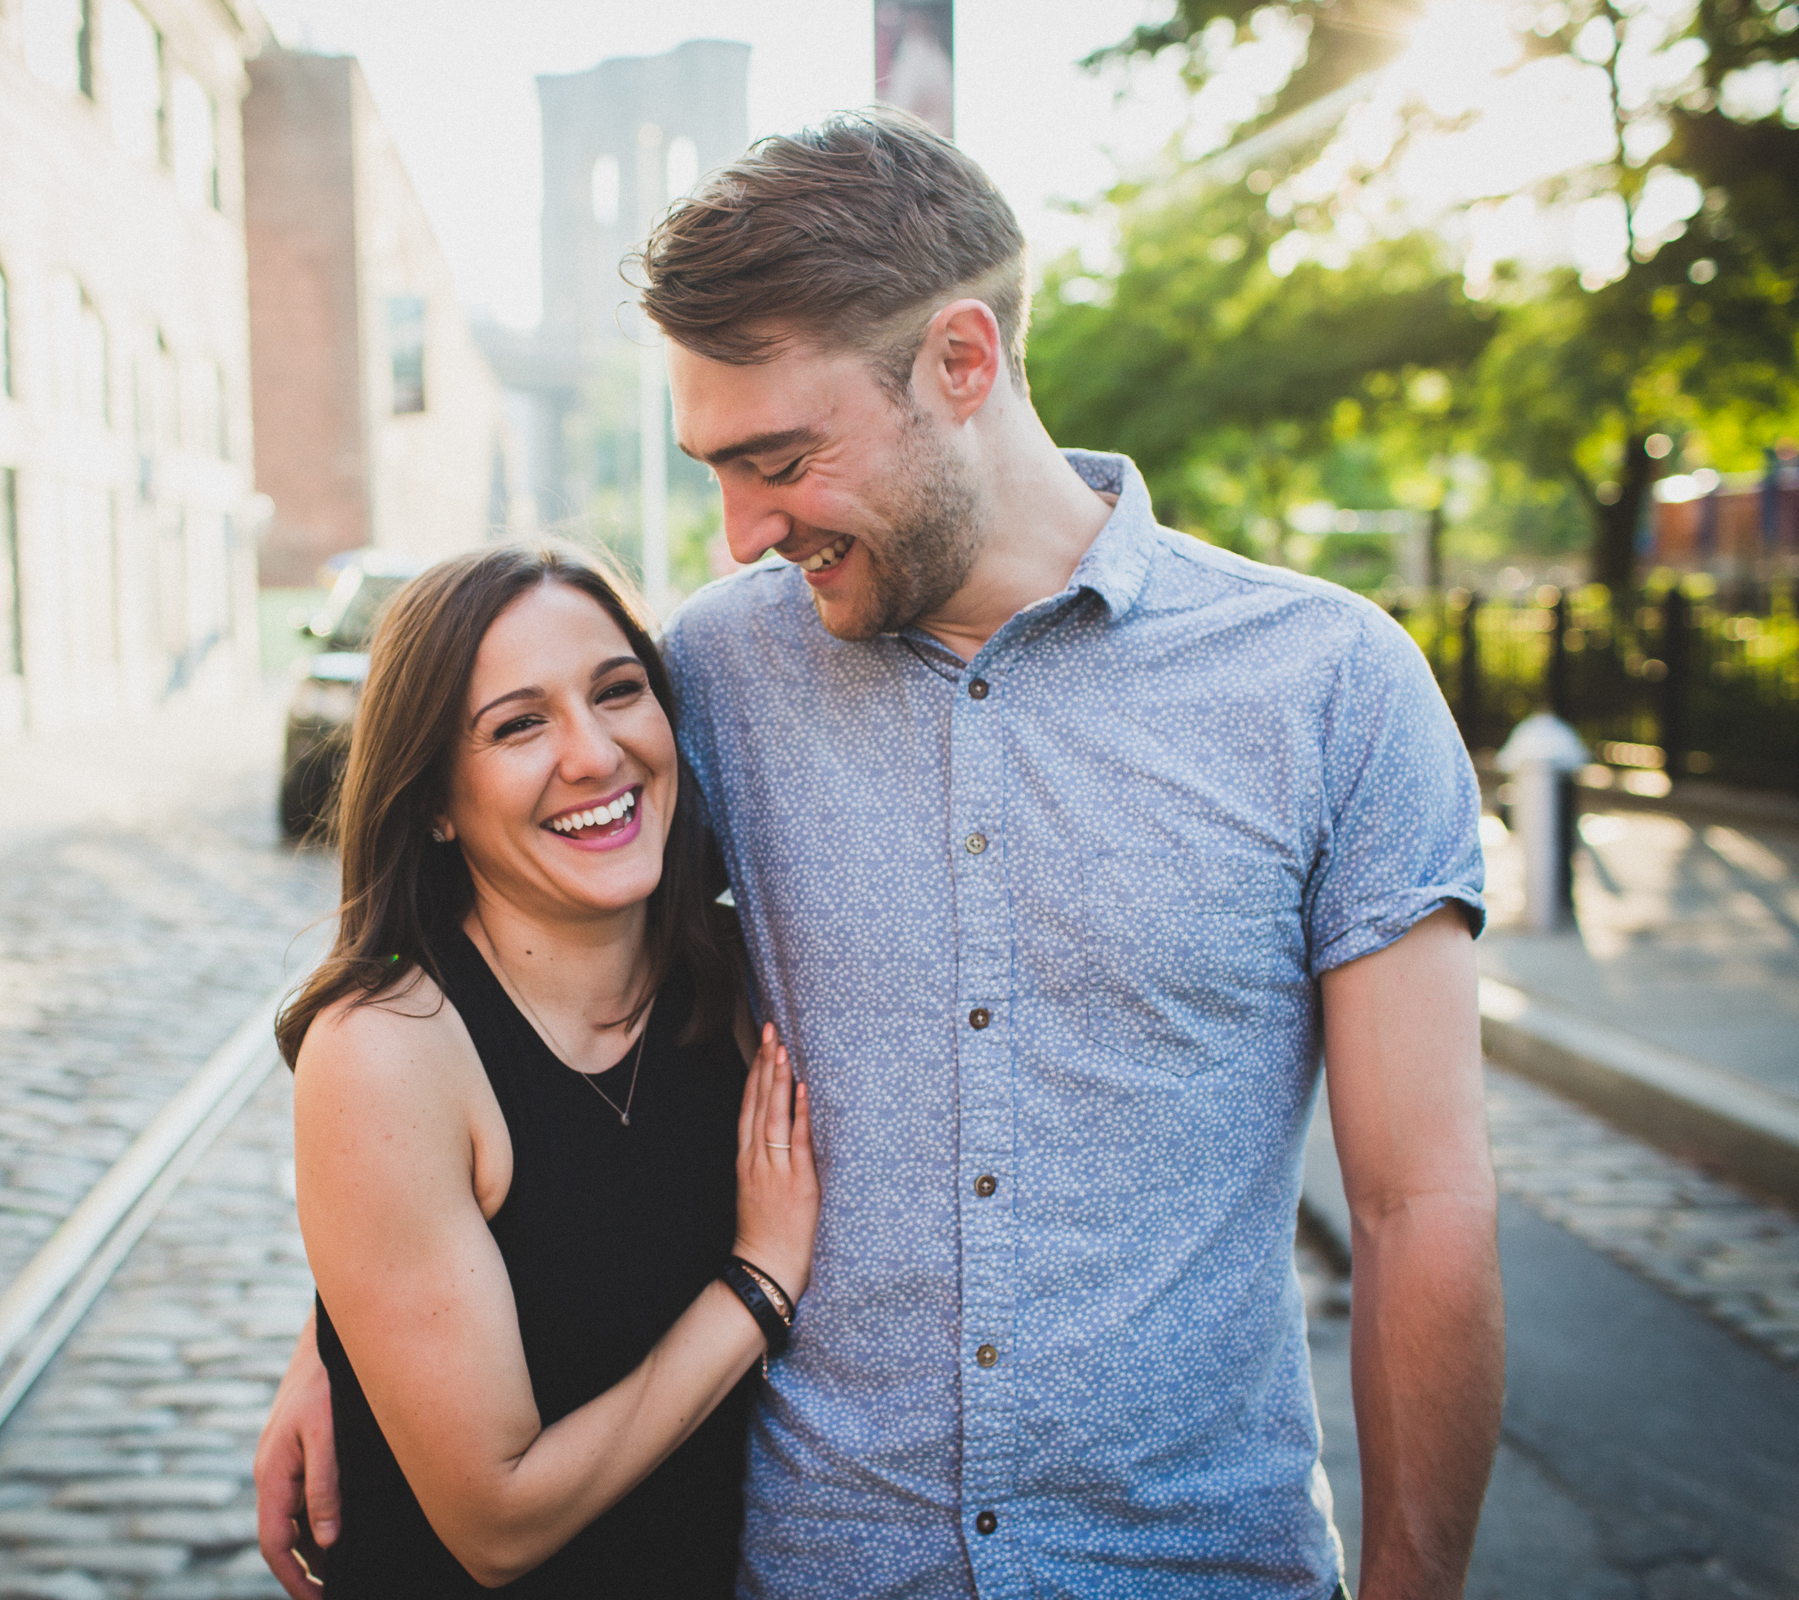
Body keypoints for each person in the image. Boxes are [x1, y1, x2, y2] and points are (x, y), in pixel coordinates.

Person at [260, 110, 1502, 1600]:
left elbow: (1418, 1207)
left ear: (961, 363)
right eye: (712, 467)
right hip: (816, 1564)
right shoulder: (708, 677)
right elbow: (494, 957)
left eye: (778, 457)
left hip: (1197, 1562)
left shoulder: (1331, 686)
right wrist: (352, 1326)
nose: (736, 534)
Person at [268, 543, 820, 1596]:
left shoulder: (751, 980)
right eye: (519, 724)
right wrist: (758, 1283)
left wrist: (337, 1327)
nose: (593, 753)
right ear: (433, 798)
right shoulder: (389, 1047)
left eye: (619, 692)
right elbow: (498, 1522)